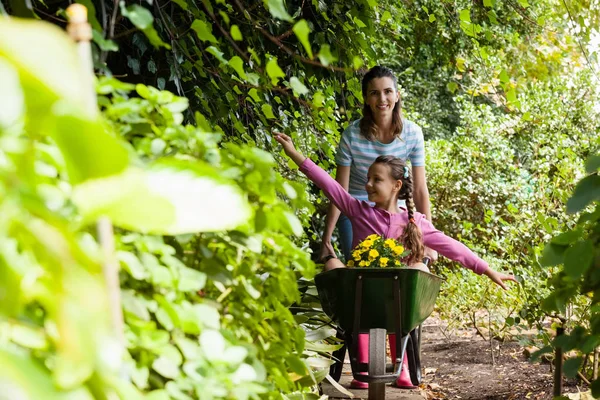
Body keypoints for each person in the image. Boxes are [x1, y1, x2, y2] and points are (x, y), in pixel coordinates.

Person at [273, 132, 517, 389]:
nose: (368, 184)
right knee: (334, 265)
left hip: (398, 304)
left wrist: (489, 270)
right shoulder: (358, 211)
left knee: (419, 268)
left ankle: (405, 367)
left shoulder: (415, 222)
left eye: (376, 179)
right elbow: (329, 185)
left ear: (396, 186)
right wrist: (294, 154)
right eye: (368, 178)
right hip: (360, 298)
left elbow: (453, 247)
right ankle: (363, 363)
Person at [320, 66, 437, 265]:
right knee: (361, 265)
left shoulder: (412, 133)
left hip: (395, 208)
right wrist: (327, 237)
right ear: (366, 98)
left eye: (387, 92)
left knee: (400, 266)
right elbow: (339, 191)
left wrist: (430, 240)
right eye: (374, 93)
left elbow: (419, 189)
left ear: (397, 95)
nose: (382, 99)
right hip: (357, 208)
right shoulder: (351, 135)